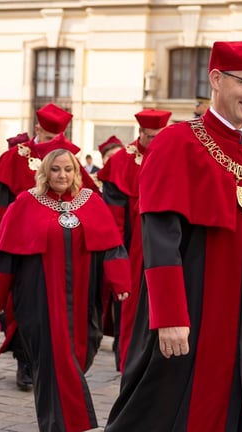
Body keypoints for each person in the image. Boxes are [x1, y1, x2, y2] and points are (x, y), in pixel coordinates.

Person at [98, 40, 242, 432]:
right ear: (215, 79)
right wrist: (169, 314)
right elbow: (160, 236)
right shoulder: (177, 143)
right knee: (180, 415)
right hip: (197, 312)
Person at [0, 148, 130, 432]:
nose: (62, 175)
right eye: (55, 170)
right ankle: (52, 429)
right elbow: (7, 256)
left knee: (84, 350)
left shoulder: (92, 203)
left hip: (84, 298)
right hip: (38, 296)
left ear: (77, 173)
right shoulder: (25, 204)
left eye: (68, 169)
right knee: (52, 359)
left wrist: (120, 283)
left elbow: (112, 246)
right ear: (44, 173)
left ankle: (61, 411)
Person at [0, 102, 91, 391]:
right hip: (21, 244)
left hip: (60, 246)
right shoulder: (13, 158)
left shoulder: (67, 159)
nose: (51, 145)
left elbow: (87, 196)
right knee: (22, 306)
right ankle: (24, 360)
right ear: (37, 131)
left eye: (56, 140)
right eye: (47, 139)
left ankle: (54, 362)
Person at [97, 108, 171, 371]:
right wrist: (117, 258)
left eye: (160, 135)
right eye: (151, 137)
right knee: (130, 310)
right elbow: (112, 220)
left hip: (169, 245)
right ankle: (129, 363)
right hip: (132, 249)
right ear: (140, 133)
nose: (156, 141)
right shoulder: (121, 163)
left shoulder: (173, 156)